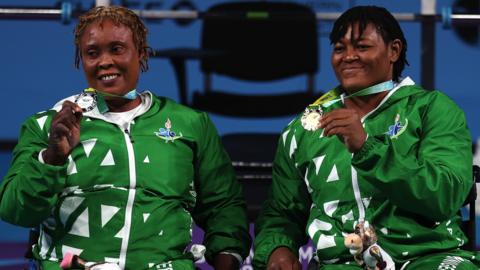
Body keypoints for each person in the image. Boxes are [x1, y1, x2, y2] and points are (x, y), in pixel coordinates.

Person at [0, 6, 250, 270]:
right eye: (92, 53)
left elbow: (224, 208)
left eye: (117, 49)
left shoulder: (190, 124)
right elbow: (16, 212)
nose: (105, 61)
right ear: (81, 60)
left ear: (141, 53)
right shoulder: (48, 125)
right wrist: (53, 158)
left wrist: (226, 261)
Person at [253, 5, 479, 270]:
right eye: (339, 49)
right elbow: (282, 212)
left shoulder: (431, 109)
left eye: (361, 47)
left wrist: (366, 147)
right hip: (341, 263)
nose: (349, 57)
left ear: (393, 51)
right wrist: (278, 247)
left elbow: (445, 195)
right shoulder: (303, 129)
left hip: (426, 257)